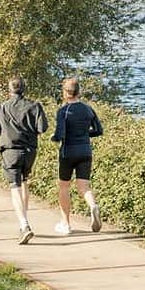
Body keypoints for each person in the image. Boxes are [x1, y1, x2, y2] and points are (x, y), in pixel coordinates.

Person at [0, 75, 51, 244]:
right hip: (30, 150)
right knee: (24, 181)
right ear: (24, 89)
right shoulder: (35, 106)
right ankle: (23, 221)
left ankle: (24, 225)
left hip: (10, 151)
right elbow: (42, 128)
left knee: (14, 187)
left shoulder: (0, 107)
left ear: (9, 90)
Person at [52, 75, 103, 236]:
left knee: (64, 186)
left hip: (68, 152)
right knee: (84, 186)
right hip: (85, 151)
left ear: (65, 93)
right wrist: (85, 135)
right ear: (78, 92)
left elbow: (60, 134)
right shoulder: (88, 109)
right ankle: (93, 205)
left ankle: (66, 224)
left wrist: (53, 138)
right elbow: (99, 130)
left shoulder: (63, 111)